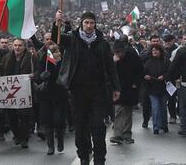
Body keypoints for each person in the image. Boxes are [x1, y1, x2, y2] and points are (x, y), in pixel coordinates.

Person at [52, 11, 120, 165]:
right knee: (81, 129)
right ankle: (83, 155)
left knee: (98, 129)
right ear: (81, 24)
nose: (89, 26)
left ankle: (100, 159)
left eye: (91, 23)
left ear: (95, 24)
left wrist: (116, 87)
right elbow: (57, 38)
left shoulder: (102, 43)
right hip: (78, 92)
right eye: (86, 23)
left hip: (98, 92)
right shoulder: (72, 40)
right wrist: (57, 23)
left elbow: (111, 68)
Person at [0, 38, 39, 149]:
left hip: (25, 91)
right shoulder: (6, 58)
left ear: (24, 46)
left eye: (20, 45)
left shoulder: (31, 58)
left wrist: (32, 76)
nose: (17, 47)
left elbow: (37, 71)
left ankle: (24, 138)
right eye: (15, 45)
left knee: (24, 116)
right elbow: (1, 71)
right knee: (11, 115)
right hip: (10, 91)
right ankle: (17, 134)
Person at [109, 40, 143, 145]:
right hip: (118, 87)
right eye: (116, 52)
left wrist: (136, 84)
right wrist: (113, 63)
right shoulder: (112, 58)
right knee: (118, 110)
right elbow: (108, 72)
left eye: (120, 52)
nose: (118, 54)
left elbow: (140, 70)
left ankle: (127, 134)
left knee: (128, 111)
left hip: (130, 87)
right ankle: (117, 134)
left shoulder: (132, 54)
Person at [36, 44, 67, 155]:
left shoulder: (64, 61)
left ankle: (60, 139)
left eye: (56, 51)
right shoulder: (44, 61)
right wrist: (42, 76)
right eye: (52, 51)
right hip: (46, 95)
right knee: (48, 120)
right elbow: (38, 76)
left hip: (60, 95)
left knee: (58, 120)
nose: (55, 53)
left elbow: (67, 75)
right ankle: (50, 146)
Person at [143, 44, 170, 135]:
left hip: (164, 89)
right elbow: (143, 73)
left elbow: (170, 72)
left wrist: (164, 76)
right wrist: (145, 76)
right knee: (155, 107)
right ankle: (156, 127)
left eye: (156, 50)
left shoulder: (166, 62)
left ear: (160, 51)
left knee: (163, 108)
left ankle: (164, 125)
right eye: (153, 50)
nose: (154, 51)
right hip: (152, 89)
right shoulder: (148, 62)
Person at [167, 35, 186, 136]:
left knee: (183, 106)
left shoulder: (181, 51)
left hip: (184, 82)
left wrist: (169, 77)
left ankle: (184, 127)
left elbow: (174, 66)